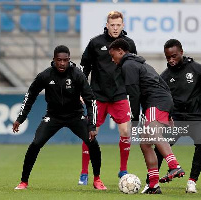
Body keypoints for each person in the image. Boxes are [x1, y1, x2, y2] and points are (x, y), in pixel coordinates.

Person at [13, 45, 107, 190]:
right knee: (36, 143)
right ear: (54, 60)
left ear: (69, 60)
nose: (62, 63)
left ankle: (97, 179)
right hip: (53, 116)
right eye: (59, 60)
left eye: (65, 60)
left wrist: (92, 125)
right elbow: (30, 95)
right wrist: (21, 118)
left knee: (93, 143)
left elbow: (90, 100)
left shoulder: (77, 75)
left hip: (76, 115)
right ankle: (23, 181)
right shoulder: (45, 75)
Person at [109, 38, 185, 194]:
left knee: (152, 133)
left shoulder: (128, 65)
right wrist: (168, 111)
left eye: (113, 55)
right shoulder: (139, 64)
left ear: (121, 51)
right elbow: (162, 84)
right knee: (145, 143)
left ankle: (174, 166)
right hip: (159, 102)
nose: (112, 59)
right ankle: (153, 185)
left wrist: (135, 119)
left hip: (156, 102)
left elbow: (134, 93)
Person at [155, 39, 201, 193]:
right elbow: (160, 100)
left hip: (197, 118)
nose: (171, 60)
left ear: (181, 52)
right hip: (176, 119)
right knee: (159, 147)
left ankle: (192, 181)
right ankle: (152, 182)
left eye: (174, 56)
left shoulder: (198, 70)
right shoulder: (164, 77)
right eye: (168, 57)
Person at [78, 11, 137, 185]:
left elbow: (134, 68)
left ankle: (123, 170)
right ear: (107, 25)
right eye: (112, 25)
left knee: (126, 131)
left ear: (123, 25)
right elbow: (84, 68)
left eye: (118, 25)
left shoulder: (129, 44)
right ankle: (84, 172)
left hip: (119, 95)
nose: (115, 28)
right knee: (90, 132)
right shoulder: (95, 43)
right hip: (98, 95)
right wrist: (82, 91)